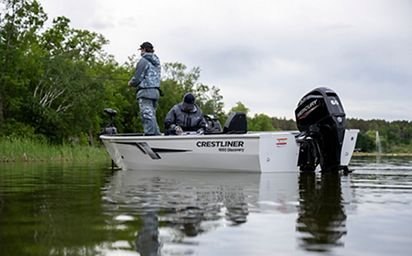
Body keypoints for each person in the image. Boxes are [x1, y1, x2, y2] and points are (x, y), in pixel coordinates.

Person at [128, 41, 161, 135]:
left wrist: (131, 83)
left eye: (141, 50)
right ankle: (156, 135)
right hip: (155, 92)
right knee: (152, 116)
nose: (140, 52)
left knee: (146, 115)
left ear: (144, 49)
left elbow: (137, 78)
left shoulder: (143, 61)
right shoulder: (157, 61)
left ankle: (150, 136)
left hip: (145, 92)